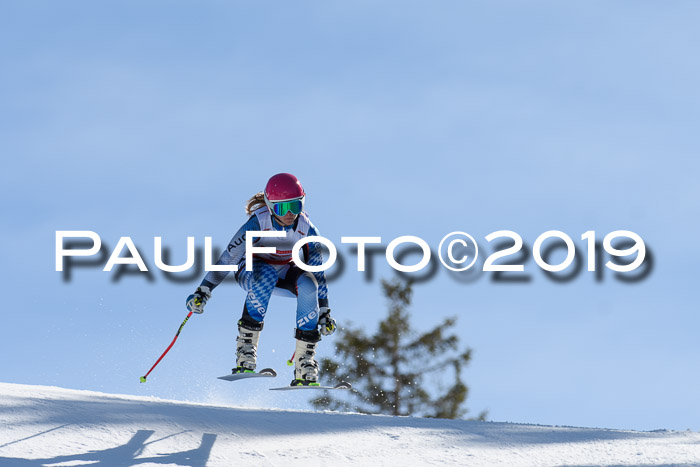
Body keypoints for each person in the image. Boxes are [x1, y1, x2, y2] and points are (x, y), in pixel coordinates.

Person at [185, 173, 336, 386]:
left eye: (296, 205)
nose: (290, 214)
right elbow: (229, 257)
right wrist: (204, 289)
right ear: (270, 206)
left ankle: (305, 362)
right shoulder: (258, 223)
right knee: (265, 276)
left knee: (308, 283)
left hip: (285, 272)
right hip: (252, 271)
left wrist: (324, 311)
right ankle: (246, 352)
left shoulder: (307, 228)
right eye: (282, 208)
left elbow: (318, 270)